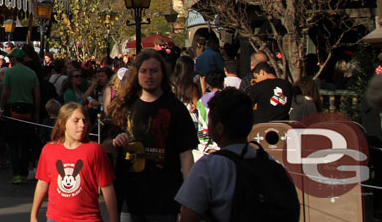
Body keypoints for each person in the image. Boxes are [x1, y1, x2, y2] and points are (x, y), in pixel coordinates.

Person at [175, 88, 299, 222]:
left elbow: (188, 217)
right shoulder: (270, 162)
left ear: (219, 128)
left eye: (210, 120)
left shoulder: (208, 167)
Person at [106, 49, 198, 222]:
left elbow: (186, 155)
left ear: (163, 74)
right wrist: (115, 141)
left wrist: (189, 194)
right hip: (129, 196)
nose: (149, 76)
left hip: (164, 199)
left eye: (154, 71)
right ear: (136, 74)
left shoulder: (176, 109)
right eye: (144, 71)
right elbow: (104, 146)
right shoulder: (124, 106)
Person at [31, 102, 117, 222]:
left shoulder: (94, 150)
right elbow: (42, 183)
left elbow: (107, 187)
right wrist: (33, 215)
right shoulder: (49, 150)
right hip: (55, 218)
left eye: (84, 120)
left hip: (88, 219)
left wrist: (114, 219)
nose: (82, 125)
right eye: (76, 121)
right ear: (62, 124)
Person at [1, 47, 40, 185]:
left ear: (13, 59)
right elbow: (37, 94)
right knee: (25, 144)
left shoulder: (9, 73)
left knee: (12, 144)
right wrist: (36, 112)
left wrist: (2, 107)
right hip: (28, 110)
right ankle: (23, 173)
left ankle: (16, 172)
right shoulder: (31, 74)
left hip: (13, 109)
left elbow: (5, 93)